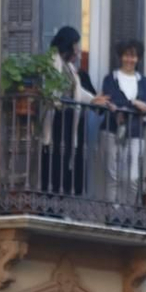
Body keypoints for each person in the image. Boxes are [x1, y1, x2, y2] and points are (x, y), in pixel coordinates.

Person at [42, 24, 107, 196]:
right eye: (76, 45)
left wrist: (94, 99)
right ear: (69, 44)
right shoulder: (52, 61)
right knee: (55, 158)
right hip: (57, 117)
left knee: (65, 159)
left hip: (69, 118)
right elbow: (50, 89)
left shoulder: (70, 68)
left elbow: (78, 91)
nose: (78, 50)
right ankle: (51, 202)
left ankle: (60, 202)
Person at [99, 39, 146, 205]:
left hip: (136, 133)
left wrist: (129, 105)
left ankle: (127, 214)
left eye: (133, 56)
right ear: (121, 57)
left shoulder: (144, 81)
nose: (130, 60)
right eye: (126, 55)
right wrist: (135, 104)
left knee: (132, 177)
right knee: (113, 176)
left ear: (138, 59)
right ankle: (114, 215)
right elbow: (110, 100)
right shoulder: (110, 79)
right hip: (111, 131)